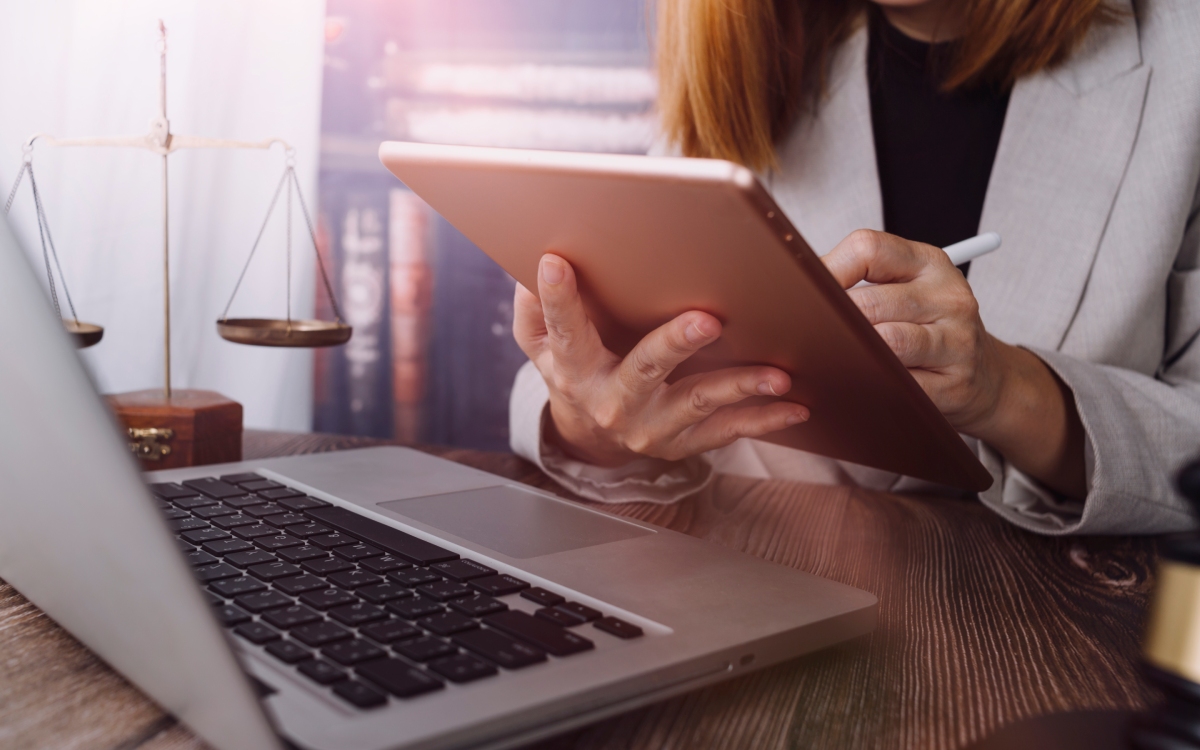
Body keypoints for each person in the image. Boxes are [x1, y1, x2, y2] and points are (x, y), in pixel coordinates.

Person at [508, 0, 1200, 535]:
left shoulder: (1181, 57)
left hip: (1060, 648)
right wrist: (591, 419)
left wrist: (1007, 392)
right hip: (746, 600)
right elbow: (628, 388)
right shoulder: (757, 48)